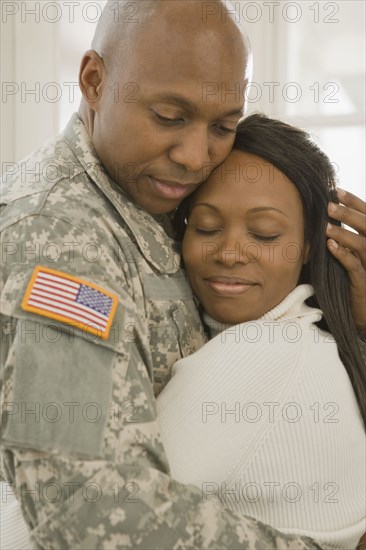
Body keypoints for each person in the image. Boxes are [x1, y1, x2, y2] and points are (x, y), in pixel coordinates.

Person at [0, 1, 365, 548]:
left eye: (223, 126)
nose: (197, 156)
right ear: (94, 81)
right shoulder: (63, 241)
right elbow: (81, 507)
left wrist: (352, 321)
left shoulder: (151, 186)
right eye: (169, 117)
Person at [157, 113, 366, 549]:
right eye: (207, 227)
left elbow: (55, 523)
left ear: (311, 245)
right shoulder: (312, 343)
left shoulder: (261, 353)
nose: (229, 253)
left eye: (265, 233)